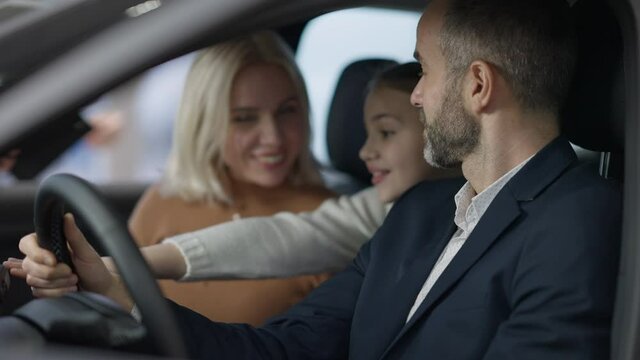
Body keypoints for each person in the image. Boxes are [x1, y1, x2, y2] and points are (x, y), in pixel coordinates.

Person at [7, 0, 623, 358]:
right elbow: (285, 350)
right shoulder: (418, 214)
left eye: (423, 71)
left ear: (478, 86)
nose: (414, 96)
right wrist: (121, 291)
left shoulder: (578, 216)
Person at [119, 31, 339, 325]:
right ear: (204, 123)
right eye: (245, 118)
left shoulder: (331, 221)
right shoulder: (163, 201)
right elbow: (118, 316)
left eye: (287, 111)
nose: (273, 138)